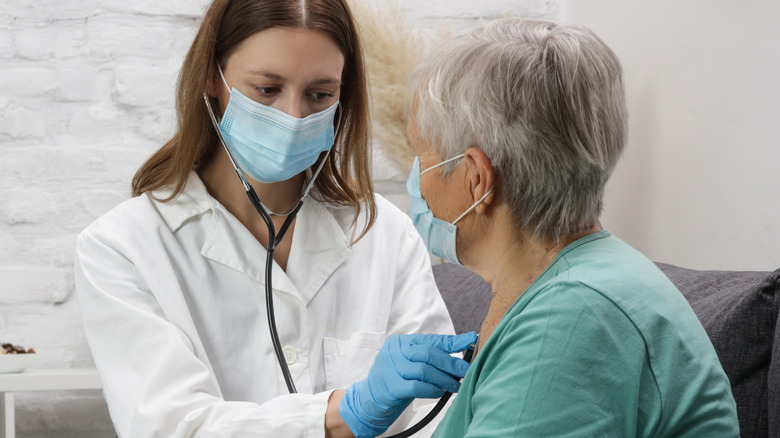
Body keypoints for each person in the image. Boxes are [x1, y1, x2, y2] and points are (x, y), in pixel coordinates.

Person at [73, 1, 476, 437]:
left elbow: (436, 415)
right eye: (267, 89)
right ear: (213, 75)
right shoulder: (123, 246)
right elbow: (173, 426)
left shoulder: (383, 232)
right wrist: (344, 412)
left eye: (319, 94)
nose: (293, 116)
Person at [404, 18, 740, 437]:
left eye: (421, 155)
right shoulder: (569, 287)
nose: (415, 178)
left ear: (476, 178)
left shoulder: (573, 317)